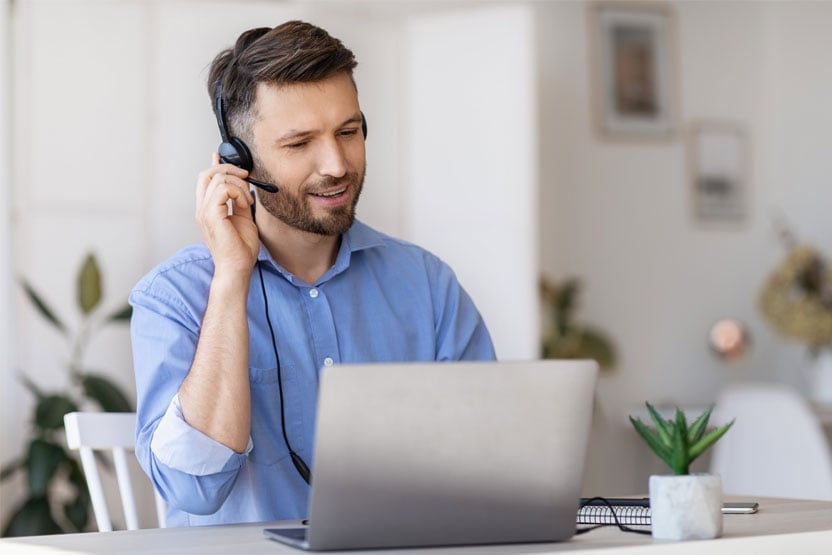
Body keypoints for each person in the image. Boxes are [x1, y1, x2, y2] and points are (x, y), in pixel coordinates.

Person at [129, 20, 495, 527]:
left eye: (348, 132)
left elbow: (491, 463)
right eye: (299, 143)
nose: (336, 165)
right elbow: (194, 488)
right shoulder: (174, 297)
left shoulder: (427, 286)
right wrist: (232, 279)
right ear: (238, 162)